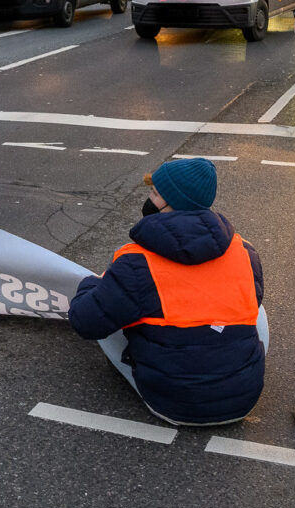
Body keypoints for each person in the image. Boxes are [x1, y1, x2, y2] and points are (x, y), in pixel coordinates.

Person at [67, 158, 267, 426]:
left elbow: (84, 321)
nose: (149, 199)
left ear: (171, 202)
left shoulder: (136, 261)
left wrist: (92, 283)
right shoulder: (244, 250)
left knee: (110, 299)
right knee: (254, 308)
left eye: (155, 193)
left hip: (174, 404)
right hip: (244, 400)